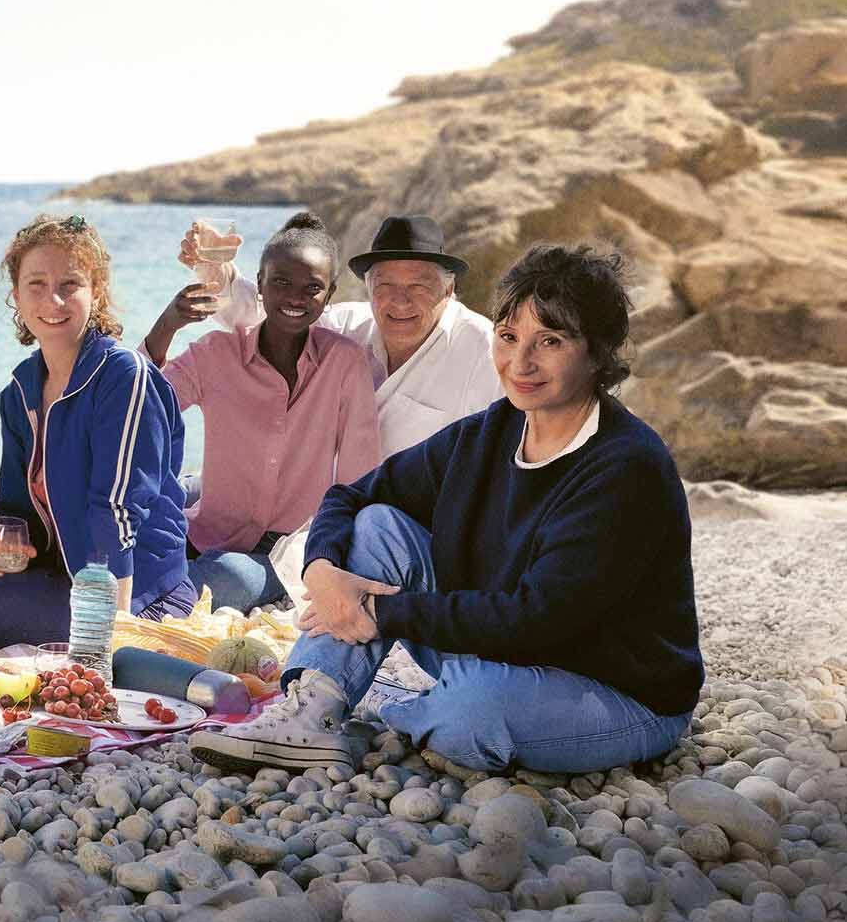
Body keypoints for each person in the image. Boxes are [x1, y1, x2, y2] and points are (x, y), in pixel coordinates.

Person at [190, 244, 701, 776]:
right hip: (498, 650)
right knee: (379, 524)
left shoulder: (625, 467)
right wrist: (322, 574)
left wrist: (375, 610)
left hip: (612, 687)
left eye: (550, 341)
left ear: (596, 353)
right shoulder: (490, 432)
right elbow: (351, 495)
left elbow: (540, 618)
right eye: (508, 338)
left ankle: (401, 718)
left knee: (473, 708)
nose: (520, 363)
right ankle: (312, 709)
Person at [0, 215, 193, 648]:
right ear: (16, 296)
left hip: (137, 591)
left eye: (70, 284)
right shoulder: (19, 391)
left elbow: (117, 512)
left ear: (96, 292)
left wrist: (109, 637)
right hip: (58, 574)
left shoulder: (123, 376)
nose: (53, 300)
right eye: (36, 284)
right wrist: (5, 549)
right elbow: (16, 508)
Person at [142, 212, 381, 612]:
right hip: (205, 532)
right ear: (260, 283)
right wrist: (166, 325)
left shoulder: (346, 363)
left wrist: (332, 561)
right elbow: (141, 406)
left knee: (224, 577)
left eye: (312, 288)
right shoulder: (217, 353)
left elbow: (358, 477)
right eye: (282, 282)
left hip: (286, 552)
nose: (295, 297)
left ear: (330, 293)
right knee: (138, 545)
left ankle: (153, 604)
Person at [193, 213, 498, 455]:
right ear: (368, 288)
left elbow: (514, 445)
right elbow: (266, 319)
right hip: (324, 504)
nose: (400, 300)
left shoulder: (484, 349)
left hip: (410, 521)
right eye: (385, 285)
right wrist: (217, 274)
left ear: (449, 289)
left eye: (418, 286)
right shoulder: (348, 327)